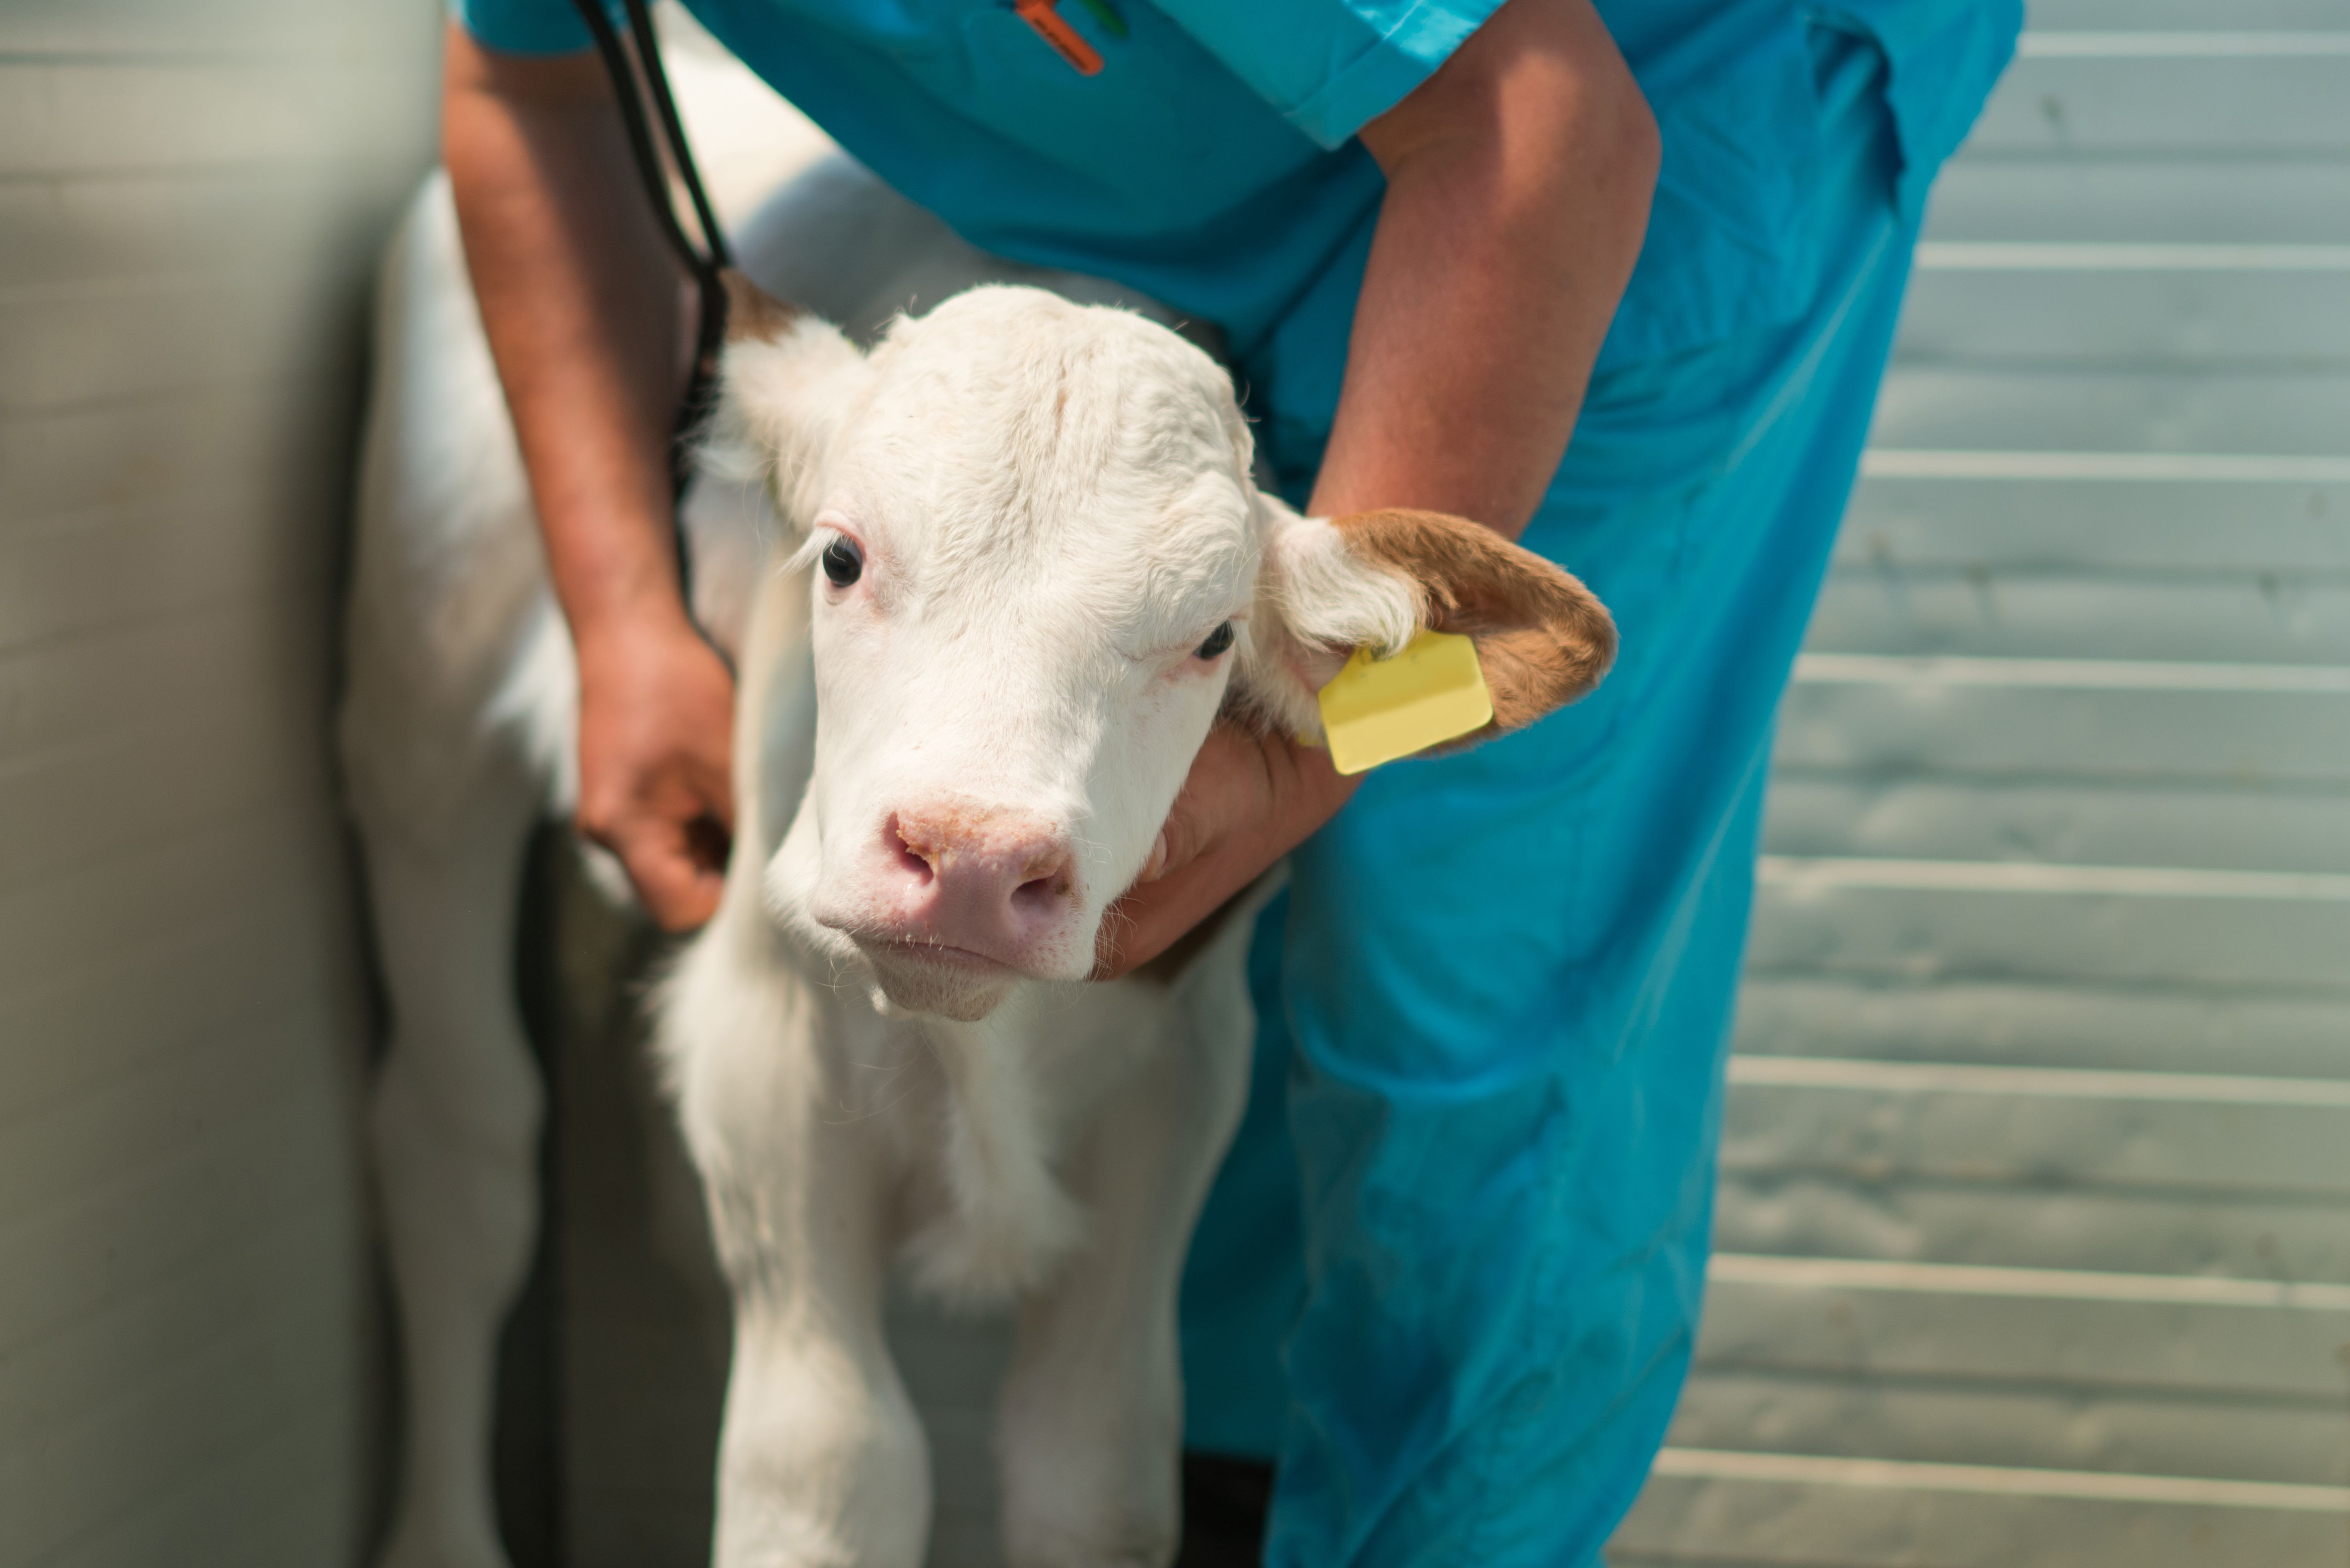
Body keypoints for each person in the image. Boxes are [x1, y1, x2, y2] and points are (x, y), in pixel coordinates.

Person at [442, 0, 2019, 1561]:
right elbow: (533, 89)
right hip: (1194, 222)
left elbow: (1546, 129)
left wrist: (1311, 740)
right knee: (1217, 1012)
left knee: (1466, 1032)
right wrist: (626, 614)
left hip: (1623, 164)